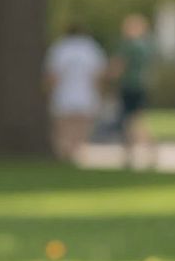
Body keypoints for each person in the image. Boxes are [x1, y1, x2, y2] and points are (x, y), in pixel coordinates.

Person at [44, 23, 106, 160]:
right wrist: (100, 95)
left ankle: (65, 156)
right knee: (81, 131)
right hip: (85, 96)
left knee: (63, 131)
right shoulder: (91, 48)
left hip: (63, 96)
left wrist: (48, 94)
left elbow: (53, 76)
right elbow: (97, 76)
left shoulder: (60, 48)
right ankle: (76, 156)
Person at [113, 15, 155, 170]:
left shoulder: (129, 46)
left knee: (130, 122)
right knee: (136, 121)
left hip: (130, 86)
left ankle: (130, 154)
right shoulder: (146, 46)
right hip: (141, 86)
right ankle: (144, 152)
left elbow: (119, 66)